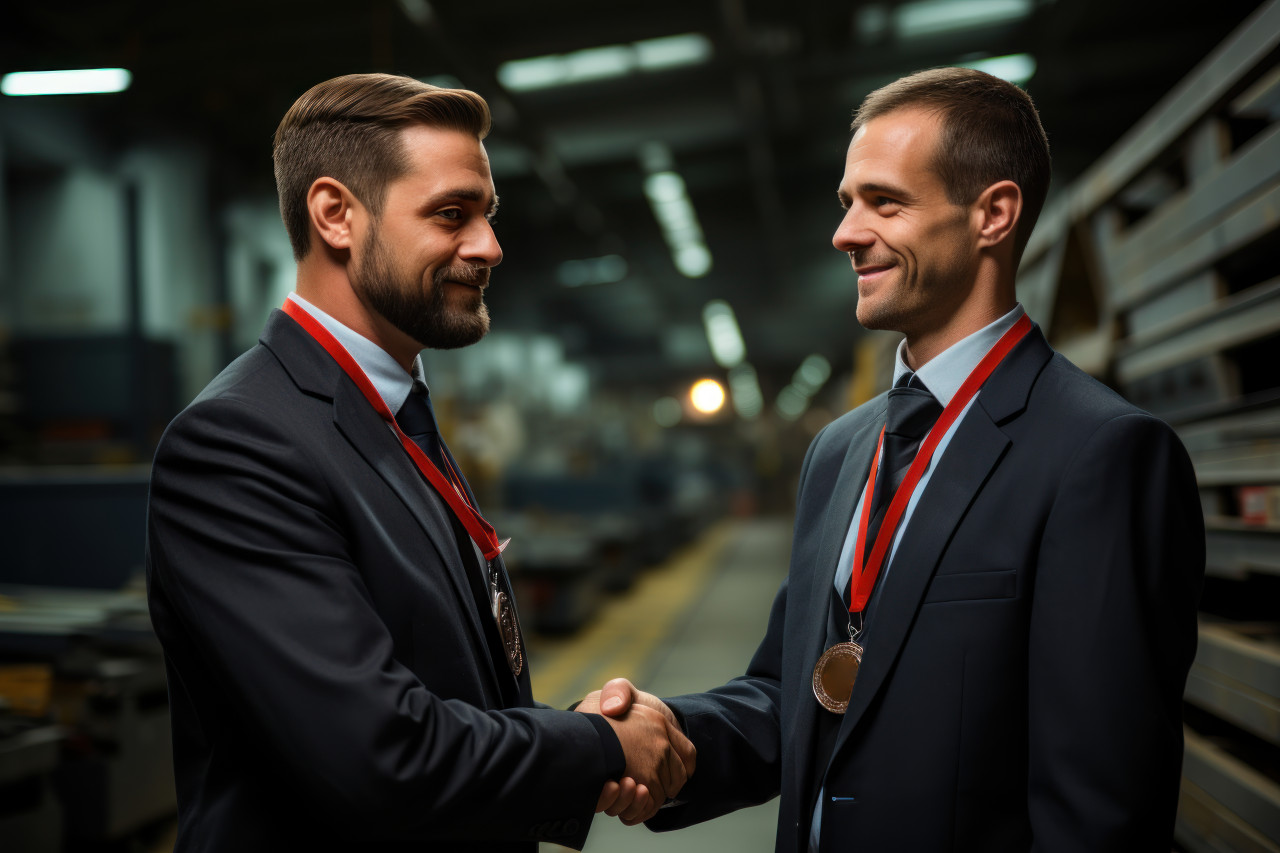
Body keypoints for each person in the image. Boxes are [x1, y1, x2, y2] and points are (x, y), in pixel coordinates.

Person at [584, 67, 1204, 851]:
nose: (845, 233)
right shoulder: (840, 450)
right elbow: (792, 695)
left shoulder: (1101, 455)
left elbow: (1100, 806)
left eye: (885, 202)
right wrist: (662, 737)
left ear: (994, 214)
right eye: (848, 203)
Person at [145, 73, 692, 852]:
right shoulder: (240, 441)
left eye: (487, 214)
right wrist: (600, 747)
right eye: (451, 215)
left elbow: (442, 690)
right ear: (336, 214)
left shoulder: (394, 415)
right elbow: (378, 753)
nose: (489, 246)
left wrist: (566, 751)